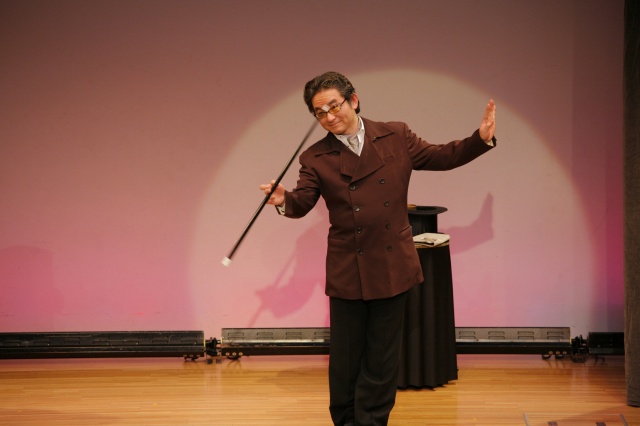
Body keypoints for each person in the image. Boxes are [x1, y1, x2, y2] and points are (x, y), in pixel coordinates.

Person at [259, 71, 496, 426]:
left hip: (391, 264)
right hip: (348, 266)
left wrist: (480, 139)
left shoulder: (395, 135)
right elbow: (303, 201)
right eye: (320, 113)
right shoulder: (315, 157)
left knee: (382, 357)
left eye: (334, 106)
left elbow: (441, 156)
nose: (329, 117)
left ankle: (370, 421)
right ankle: (345, 420)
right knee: (346, 357)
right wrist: (283, 200)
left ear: (353, 100)